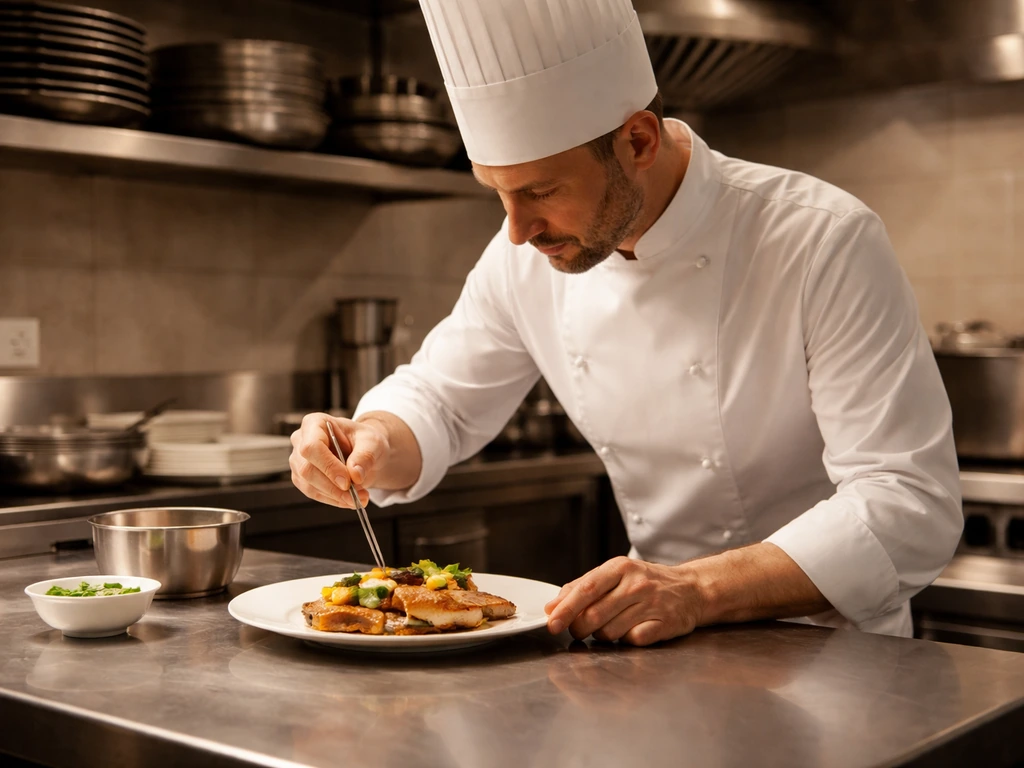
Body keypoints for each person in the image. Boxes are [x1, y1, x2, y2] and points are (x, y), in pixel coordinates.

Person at [289, 0, 962, 645]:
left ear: (636, 140)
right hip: (654, 644)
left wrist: (695, 591)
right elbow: (442, 401)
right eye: (498, 192)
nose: (517, 231)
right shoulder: (525, 254)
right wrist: (370, 438)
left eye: (540, 191)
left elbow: (906, 506)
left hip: (831, 660)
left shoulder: (821, 240)